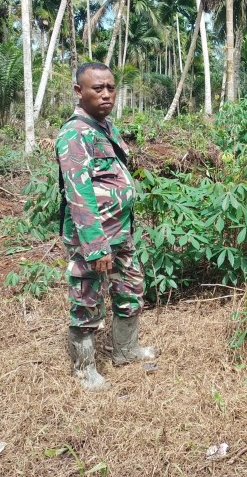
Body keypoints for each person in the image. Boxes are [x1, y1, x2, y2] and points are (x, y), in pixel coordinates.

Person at [56, 62, 158, 392]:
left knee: (130, 287)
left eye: (110, 88)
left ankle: (126, 350)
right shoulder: (74, 133)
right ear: (78, 91)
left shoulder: (105, 127)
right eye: (97, 88)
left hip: (120, 233)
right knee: (87, 300)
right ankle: (84, 370)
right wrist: (96, 245)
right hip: (94, 238)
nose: (106, 94)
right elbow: (79, 193)